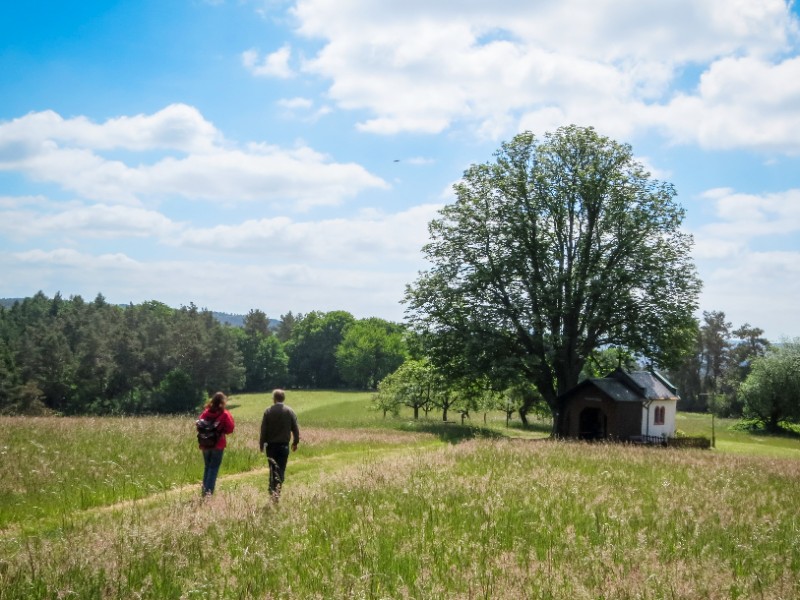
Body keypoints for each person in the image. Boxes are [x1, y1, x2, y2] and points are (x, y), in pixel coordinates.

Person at [259, 388, 300, 501]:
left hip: (271, 446)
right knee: (281, 468)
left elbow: (264, 429)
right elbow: (295, 428)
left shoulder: (268, 411)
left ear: (274, 399)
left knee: (272, 468)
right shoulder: (289, 411)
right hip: (284, 445)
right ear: (283, 398)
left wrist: (261, 444)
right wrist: (295, 442)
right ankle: (277, 488)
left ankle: (273, 489)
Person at [198, 391, 235, 496]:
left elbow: (199, 426)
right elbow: (230, 428)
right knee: (213, 468)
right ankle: (208, 493)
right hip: (218, 444)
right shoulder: (224, 414)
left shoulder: (205, 412)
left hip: (205, 443)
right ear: (223, 402)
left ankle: (204, 490)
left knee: (207, 467)